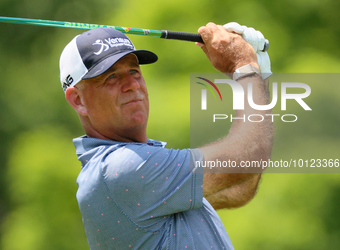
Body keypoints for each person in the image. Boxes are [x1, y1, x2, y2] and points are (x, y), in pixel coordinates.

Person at [59, 22, 274, 249]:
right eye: (111, 77)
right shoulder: (118, 168)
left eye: (134, 71)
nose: (132, 84)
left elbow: (238, 187)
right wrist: (244, 66)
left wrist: (259, 76)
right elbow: (245, 159)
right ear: (78, 100)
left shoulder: (145, 175)